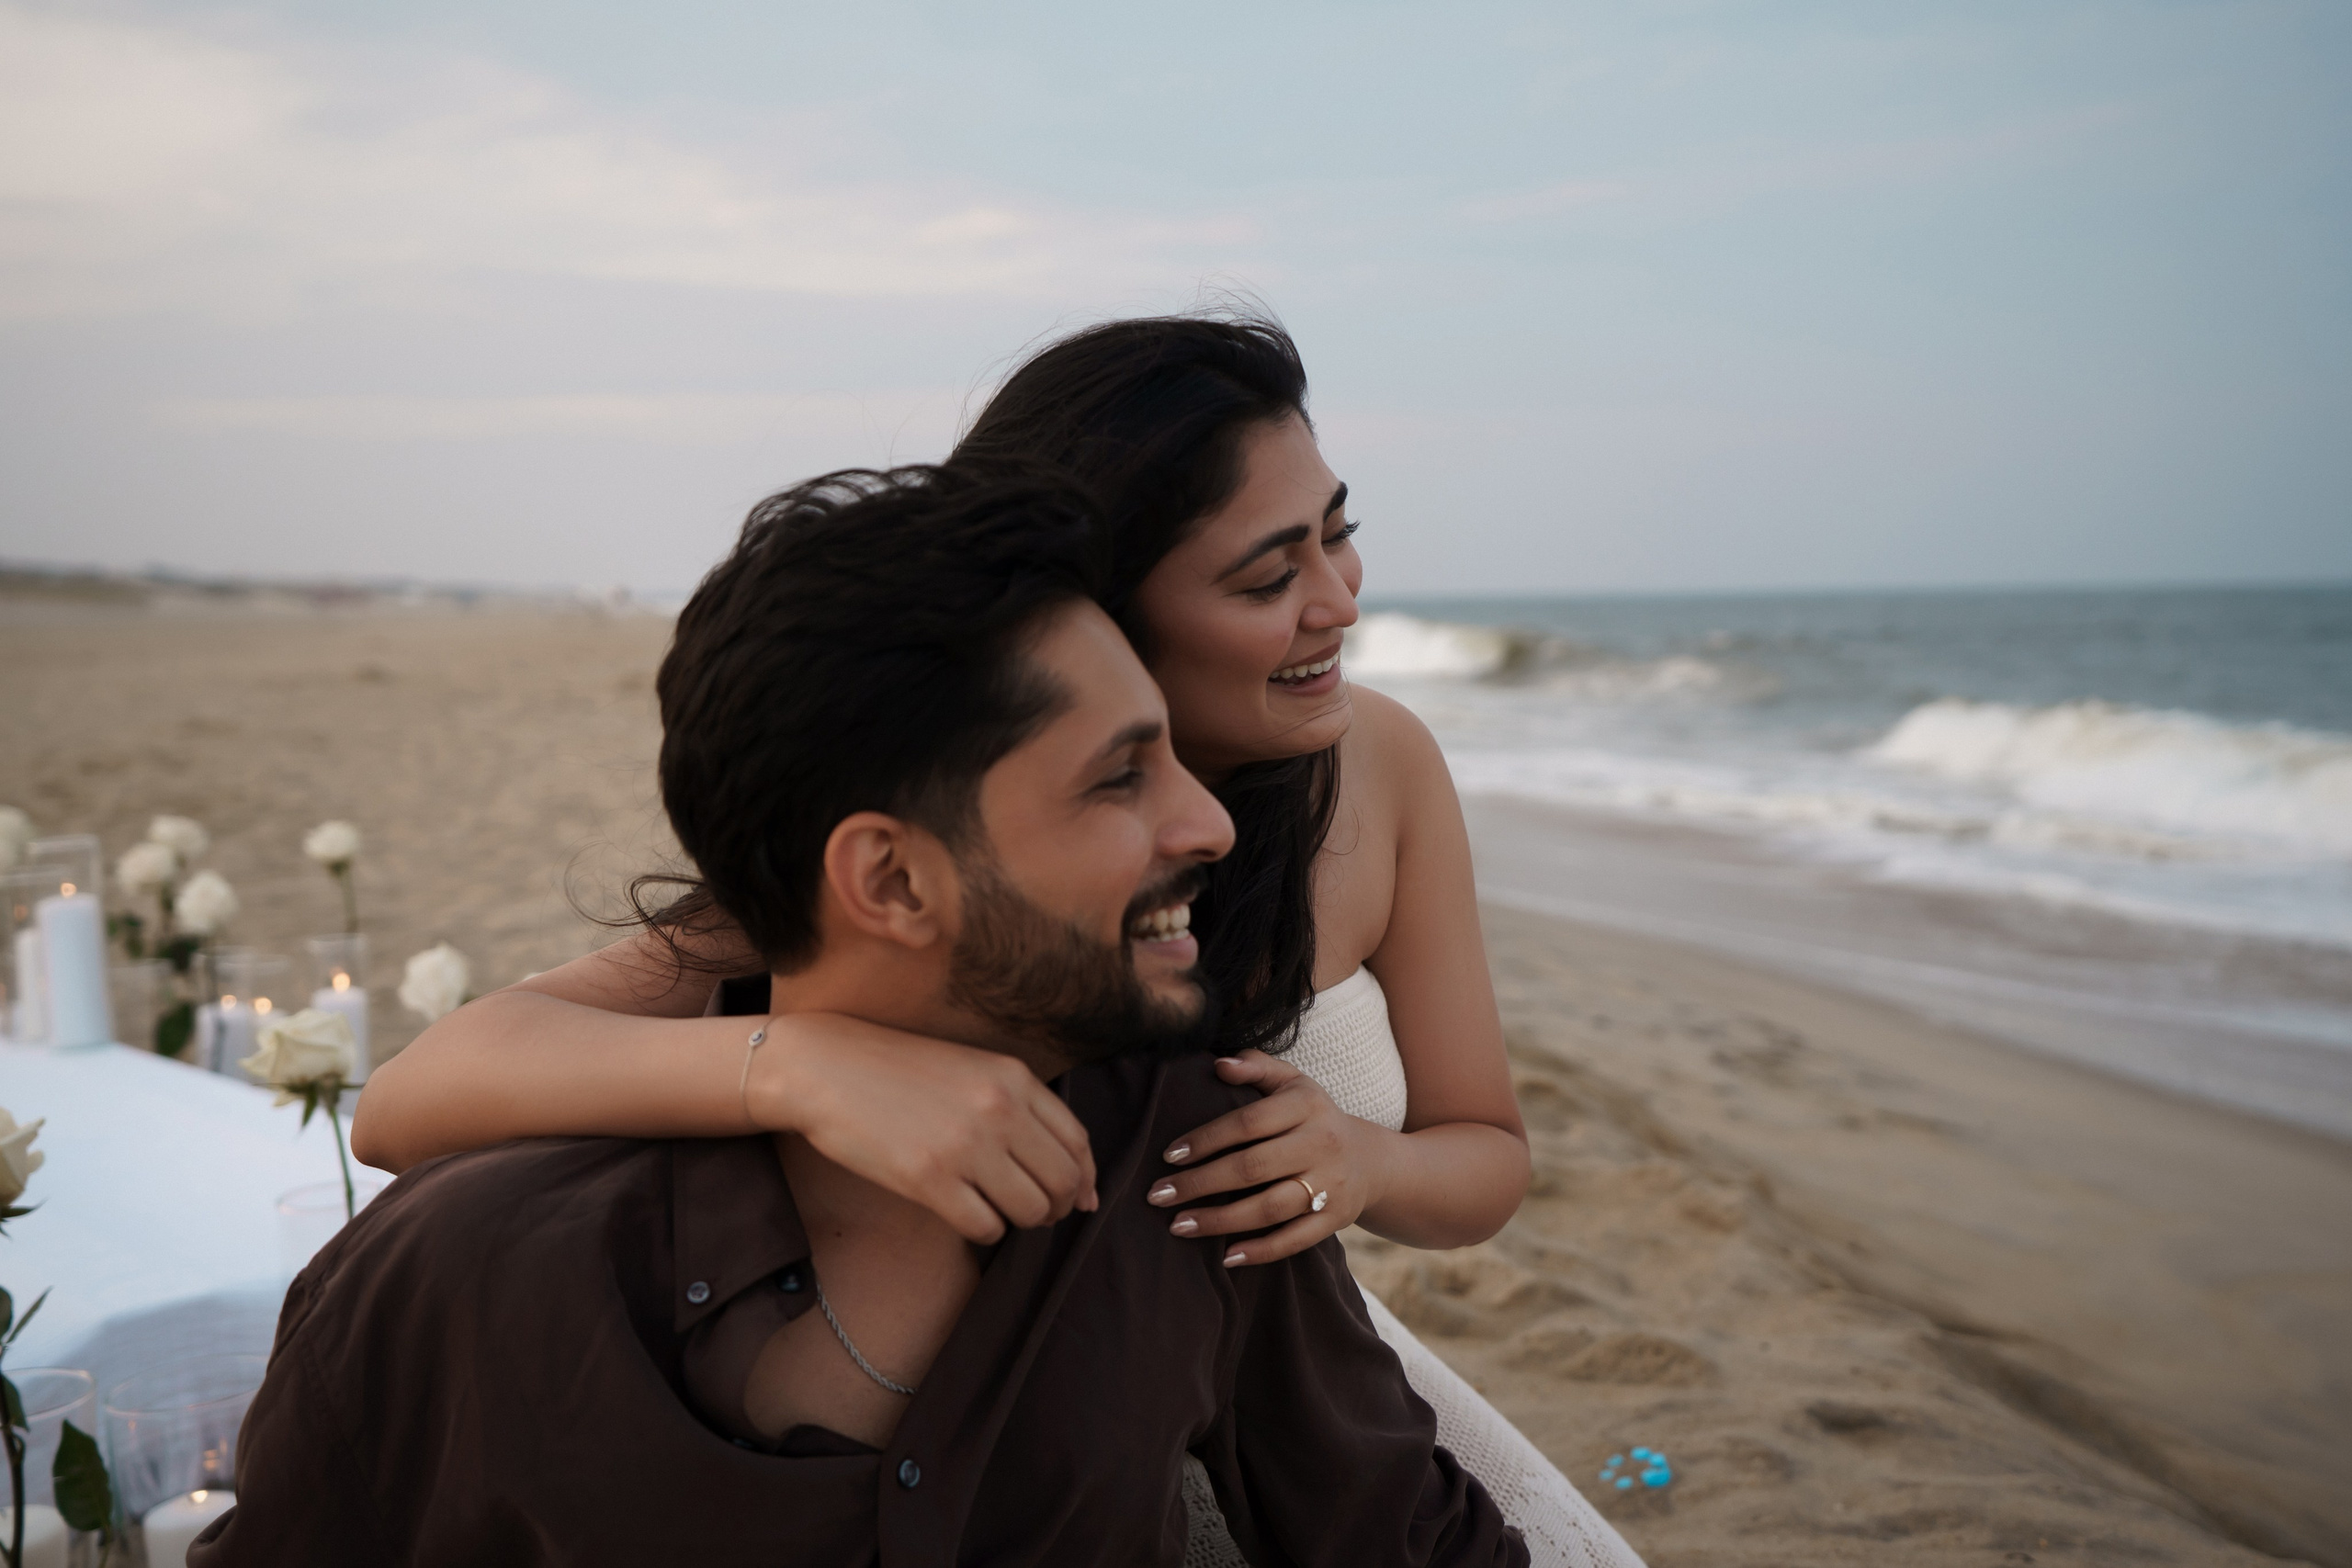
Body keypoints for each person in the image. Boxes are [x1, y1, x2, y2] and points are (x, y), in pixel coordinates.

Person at [354, 313, 1641, 1568]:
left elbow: (1484, 1156)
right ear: (1102, 616)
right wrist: (808, 1065)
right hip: (1018, 1404)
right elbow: (410, 1099)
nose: (1342, 603)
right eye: (1270, 575)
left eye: (1339, 536)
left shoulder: (1377, 767)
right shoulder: (946, 837)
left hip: (1257, 1350)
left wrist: (1359, 1163)